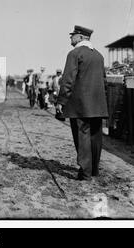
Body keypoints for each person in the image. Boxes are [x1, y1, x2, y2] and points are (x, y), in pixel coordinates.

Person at [56, 25, 108, 181]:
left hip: (80, 105)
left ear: (80, 37)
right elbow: (103, 80)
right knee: (95, 136)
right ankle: (94, 170)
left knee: (82, 136)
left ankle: (85, 172)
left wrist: (61, 101)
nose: (70, 38)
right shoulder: (99, 56)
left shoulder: (74, 54)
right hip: (98, 104)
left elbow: (67, 80)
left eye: (72, 35)